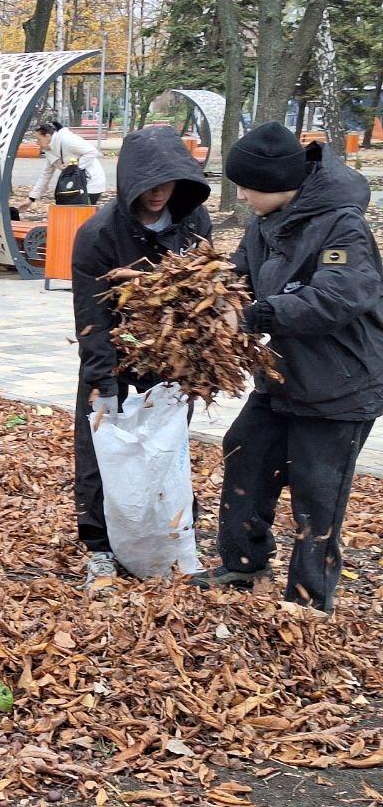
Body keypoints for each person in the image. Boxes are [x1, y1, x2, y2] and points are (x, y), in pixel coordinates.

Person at [192, 123, 383, 614]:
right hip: (284, 376)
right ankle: (243, 561)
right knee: (245, 453)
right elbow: (239, 275)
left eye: (247, 186)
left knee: (317, 494)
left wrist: (256, 314)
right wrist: (201, 294)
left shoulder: (342, 224)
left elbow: (338, 296)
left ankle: (307, 597)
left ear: (278, 183)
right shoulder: (263, 221)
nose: (241, 194)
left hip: (341, 382)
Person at [71, 126, 212, 587]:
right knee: (99, 447)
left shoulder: (194, 222)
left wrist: (196, 364)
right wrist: (103, 389)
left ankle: (169, 532)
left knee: (167, 446)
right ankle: (99, 547)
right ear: (129, 182)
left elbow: (203, 291)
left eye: (167, 184)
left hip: (171, 358)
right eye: (148, 185)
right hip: (111, 353)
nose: (157, 194)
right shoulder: (97, 236)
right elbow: (91, 320)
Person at [23, 119, 106, 209]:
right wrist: (31, 198)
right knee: (71, 215)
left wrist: (73, 167)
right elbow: (45, 175)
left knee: (82, 216)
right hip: (74, 185)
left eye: (38, 139)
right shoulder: (49, 150)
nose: (37, 143)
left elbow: (92, 152)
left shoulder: (67, 140)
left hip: (91, 183)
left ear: (47, 136)